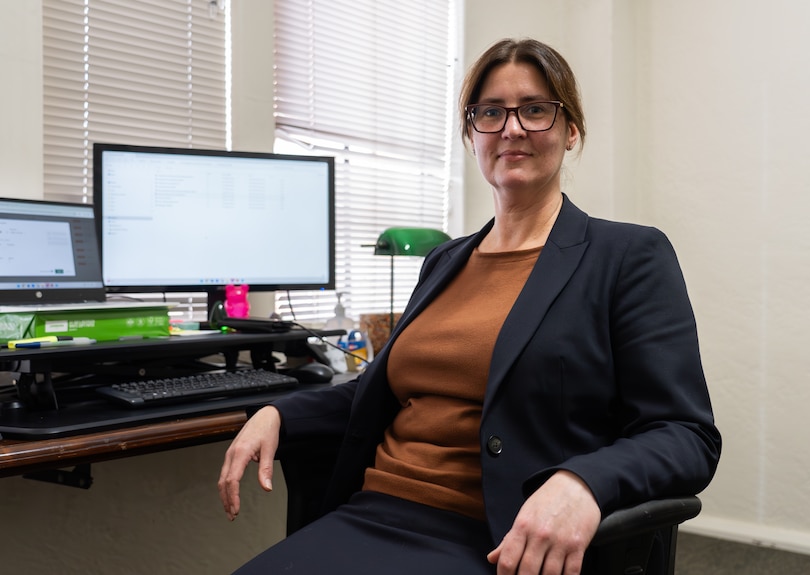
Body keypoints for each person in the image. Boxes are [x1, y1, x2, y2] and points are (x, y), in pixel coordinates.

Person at [218, 37, 721, 575]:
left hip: (499, 535)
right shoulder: (444, 261)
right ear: (471, 133)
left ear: (570, 129)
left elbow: (684, 435)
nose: (511, 128)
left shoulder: (627, 256)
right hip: (373, 511)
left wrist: (583, 484)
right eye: (490, 112)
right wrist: (277, 412)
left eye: (534, 109)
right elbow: (376, 394)